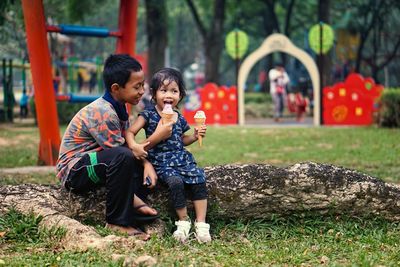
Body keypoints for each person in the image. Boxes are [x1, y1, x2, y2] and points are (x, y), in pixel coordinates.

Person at [56, 54, 173, 240]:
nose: (142, 91)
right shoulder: (103, 112)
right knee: (124, 157)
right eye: (136, 86)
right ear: (116, 88)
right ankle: (117, 222)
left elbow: (128, 147)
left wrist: (148, 165)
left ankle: (134, 211)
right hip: (75, 170)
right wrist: (157, 137)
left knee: (135, 162)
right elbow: (125, 152)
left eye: (142, 84)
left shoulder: (120, 108)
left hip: (99, 162)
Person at [125, 68, 211, 243]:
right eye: (163, 90)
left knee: (199, 178)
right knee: (175, 182)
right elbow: (129, 132)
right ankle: (183, 221)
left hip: (181, 158)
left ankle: (201, 224)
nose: (168, 95)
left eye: (174, 91)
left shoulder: (178, 117)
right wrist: (134, 145)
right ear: (154, 94)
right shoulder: (148, 114)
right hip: (160, 160)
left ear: (180, 94)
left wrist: (194, 136)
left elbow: (182, 140)